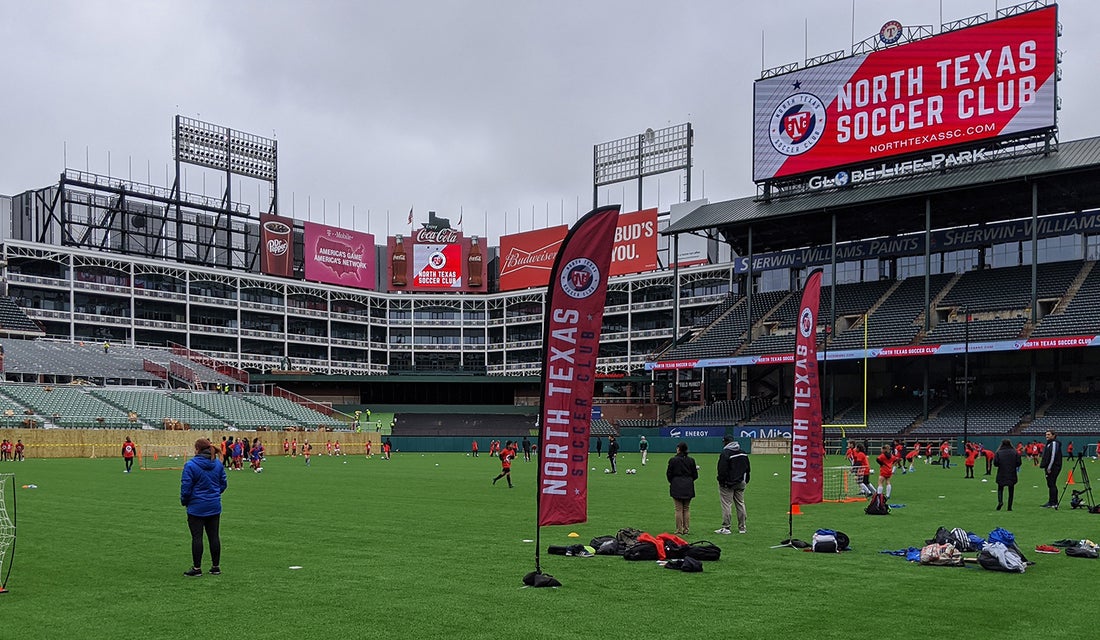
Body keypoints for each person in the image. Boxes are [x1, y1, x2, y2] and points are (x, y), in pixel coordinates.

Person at [180, 438, 227, 577]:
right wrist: (214, 494)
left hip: (196, 507)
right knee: (214, 536)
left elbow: (186, 487)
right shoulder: (217, 464)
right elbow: (223, 483)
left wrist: (185, 501)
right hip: (213, 505)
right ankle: (215, 567)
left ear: (197, 449)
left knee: (197, 537)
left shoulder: (190, 465)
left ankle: (197, 568)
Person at [715, 436, 750, 535]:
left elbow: (722, 469)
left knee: (727, 504)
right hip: (741, 482)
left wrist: (721, 481)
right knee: (740, 504)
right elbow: (748, 468)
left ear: (726, 442)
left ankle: (726, 527)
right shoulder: (743, 452)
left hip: (728, 483)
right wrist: (746, 480)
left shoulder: (725, 453)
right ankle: (742, 527)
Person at [666, 441, 698, 536]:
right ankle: (686, 529)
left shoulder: (673, 460)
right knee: (686, 508)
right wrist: (689, 480)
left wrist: (673, 481)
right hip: (688, 485)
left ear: (679, 449)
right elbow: (695, 475)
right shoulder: (691, 460)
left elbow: (669, 474)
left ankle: (679, 530)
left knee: (678, 509)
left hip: (676, 485)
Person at [993, 438, 1021, 511]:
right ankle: (1009, 507)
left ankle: (1000, 501)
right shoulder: (1014, 452)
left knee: (1000, 488)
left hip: (1001, 472)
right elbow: (1019, 463)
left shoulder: (999, 452)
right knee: (1011, 490)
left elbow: (995, 463)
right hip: (1012, 473)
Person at [1040, 430, 1063, 508]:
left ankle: (1053, 502)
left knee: (1052, 484)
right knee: (1050, 484)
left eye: (1048, 434)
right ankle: (1052, 501)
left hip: (1053, 467)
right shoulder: (1049, 443)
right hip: (1051, 466)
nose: (1047, 436)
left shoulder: (1054, 443)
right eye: (1046, 434)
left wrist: (1049, 467)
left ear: (1053, 435)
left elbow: (1053, 455)